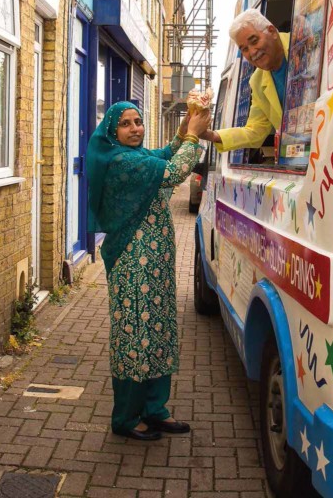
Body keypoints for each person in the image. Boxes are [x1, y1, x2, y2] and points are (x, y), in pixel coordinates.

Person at [86, 101, 211, 441]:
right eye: (126, 124)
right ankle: (126, 418)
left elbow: (161, 154)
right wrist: (194, 138)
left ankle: (155, 409)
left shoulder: (138, 157)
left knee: (159, 331)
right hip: (132, 263)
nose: (135, 129)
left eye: (138, 121)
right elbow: (173, 171)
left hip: (155, 264)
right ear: (113, 131)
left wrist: (185, 128)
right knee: (134, 338)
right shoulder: (121, 161)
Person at [201, 8, 290, 151]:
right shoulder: (257, 80)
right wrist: (210, 135)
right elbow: (256, 130)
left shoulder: (303, 39)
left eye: (254, 41)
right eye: (244, 49)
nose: (252, 52)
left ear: (272, 32)